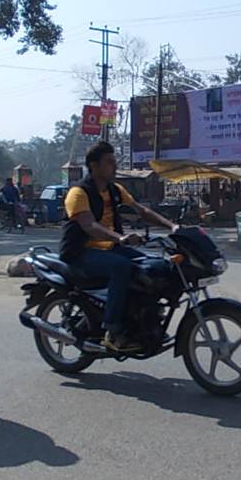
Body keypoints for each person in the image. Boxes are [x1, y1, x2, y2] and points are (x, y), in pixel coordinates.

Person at [60, 141, 178, 352]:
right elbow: (89, 225)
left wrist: (172, 226)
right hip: (81, 253)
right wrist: (120, 238)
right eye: (109, 162)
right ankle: (112, 330)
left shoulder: (115, 190)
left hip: (110, 249)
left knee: (157, 266)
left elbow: (142, 211)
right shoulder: (78, 193)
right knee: (121, 267)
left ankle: (145, 320)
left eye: (115, 162)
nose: (114, 166)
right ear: (94, 166)